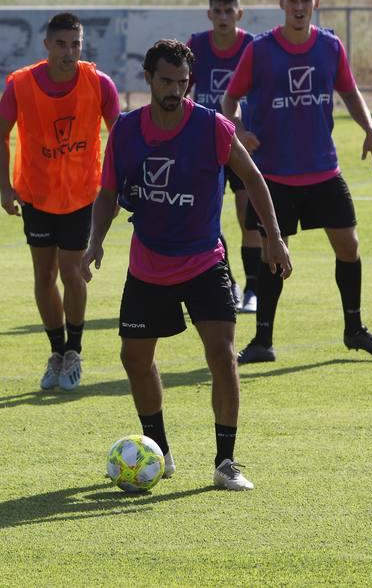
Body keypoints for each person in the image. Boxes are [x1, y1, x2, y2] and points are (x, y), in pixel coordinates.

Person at [83, 39, 290, 491]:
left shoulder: (211, 127)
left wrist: (274, 239)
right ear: (149, 80)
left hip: (203, 261)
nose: (174, 90)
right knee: (134, 359)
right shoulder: (125, 131)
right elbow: (108, 195)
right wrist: (95, 241)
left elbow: (253, 179)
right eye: (165, 81)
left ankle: (226, 461)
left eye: (182, 82)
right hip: (149, 264)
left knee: (222, 355)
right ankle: (159, 451)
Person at [221, 0, 372, 364]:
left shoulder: (330, 47)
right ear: (281, 4)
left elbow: (349, 92)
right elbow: (228, 101)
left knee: (349, 245)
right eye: (292, 0)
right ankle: (262, 340)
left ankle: (354, 329)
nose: (299, 7)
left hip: (323, 171)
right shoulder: (260, 50)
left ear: (316, 4)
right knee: (272, 254)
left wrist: (370, 129)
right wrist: (240, 131)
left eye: (306, 0)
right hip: (275, 177)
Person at [0, 12, 120, 392]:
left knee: (73, 273)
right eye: (61, 44)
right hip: (36, 195)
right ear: (46, 45)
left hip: (82, 196)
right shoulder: (20, 85)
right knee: (44, 276)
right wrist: (4, 187)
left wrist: (117, 188)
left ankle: (75, 352)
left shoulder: (100, 84)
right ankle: (57, 351)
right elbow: (0, 135)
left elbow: (122, 136)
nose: (69, 52)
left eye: (76, 44)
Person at [187, 0, 262, 314]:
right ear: (209, 14)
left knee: (248, 215)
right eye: (216, 11)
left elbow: (263, 92)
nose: (222, 17)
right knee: (208, 218)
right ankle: (228, 281)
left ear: (239, 13)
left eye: (228, 11)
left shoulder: (251, 46)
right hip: (205, 144)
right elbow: (179, 90)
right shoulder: (197, 46)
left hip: (242, 143)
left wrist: (251, 130)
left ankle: (253, 289)